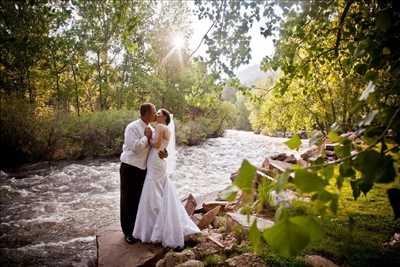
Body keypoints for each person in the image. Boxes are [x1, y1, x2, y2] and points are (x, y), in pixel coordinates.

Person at [133, 108, 200, 249]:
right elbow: (164, 147)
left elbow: (156, 145)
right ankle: (161, 223)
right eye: (156, 113)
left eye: (159, 114)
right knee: (160, 189)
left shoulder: (159, 126)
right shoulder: (167, 129)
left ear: (164, 117)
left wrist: (148, 136)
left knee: (153, 190)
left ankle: (155, 227)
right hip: (160, 161)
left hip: (155, 160)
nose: (156, 115)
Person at [119, 103, 167, 244]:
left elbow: (156, 148)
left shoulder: (151, 129)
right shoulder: (132, 127)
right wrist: (146, 137)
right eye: (153, 113)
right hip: (129, 168)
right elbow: (135, 148)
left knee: (139, 201)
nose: (155, 115)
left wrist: (164, 153)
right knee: (127, 200)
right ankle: (127, 232)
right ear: (146, 113)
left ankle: (137, 230)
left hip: (143, 169)